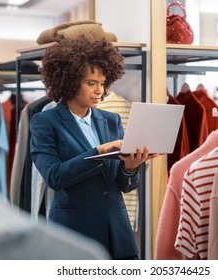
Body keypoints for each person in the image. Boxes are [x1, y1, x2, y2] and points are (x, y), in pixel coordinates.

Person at [29, 35, 158, 260]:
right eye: (91, 83)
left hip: (117, 231)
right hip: (74, 233)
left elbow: (124, 186)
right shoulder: (45, 122)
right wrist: (98, 152)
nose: (99, 90)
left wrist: (130, 168)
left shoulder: (111, 120)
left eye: (102, 83)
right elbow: (54, 177)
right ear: (69, 81)